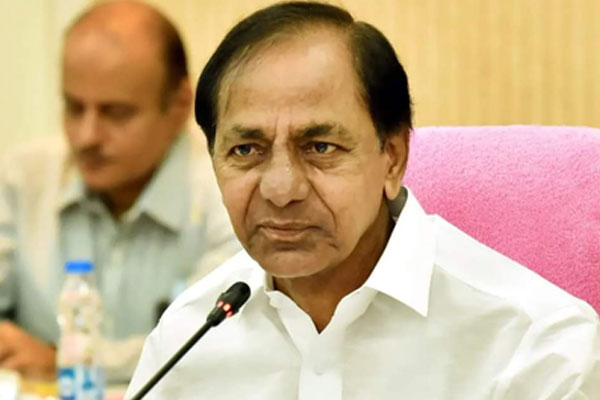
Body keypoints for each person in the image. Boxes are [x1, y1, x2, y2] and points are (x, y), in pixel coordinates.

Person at [127, 2, 600, 399]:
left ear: (392, 158)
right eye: (246, 150)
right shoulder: (188, 340)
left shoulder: (534, 343)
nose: (281, 190)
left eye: (320, 147)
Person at [0, 0, 239, 382]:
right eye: (74, 108)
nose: (86, 136)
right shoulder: (22, 179)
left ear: (180, 105)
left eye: (116, 113)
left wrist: (62, 361)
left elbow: (213, 344)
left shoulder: (231, 196)